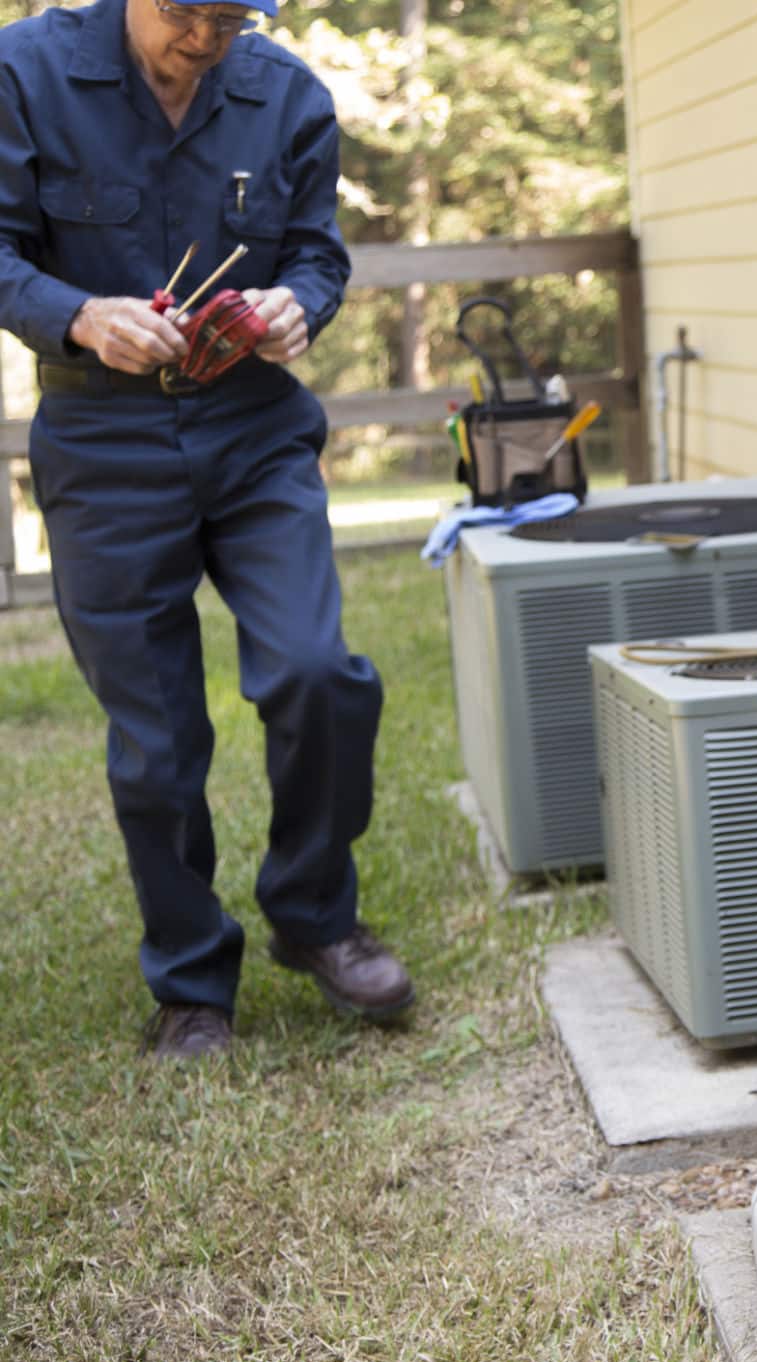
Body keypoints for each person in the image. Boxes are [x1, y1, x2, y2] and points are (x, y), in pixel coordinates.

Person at [0, 0, 413, 1058]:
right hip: (103, 438)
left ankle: (316, 917)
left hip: (253, 428)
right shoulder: (23, 70)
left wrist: (296, 307)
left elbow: (319, 257)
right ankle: (191, 984)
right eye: (190, 13)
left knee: (318, 672)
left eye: (233, 17)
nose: (208, 38)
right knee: (156, 738)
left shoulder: (287, 95)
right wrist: (78, 314)